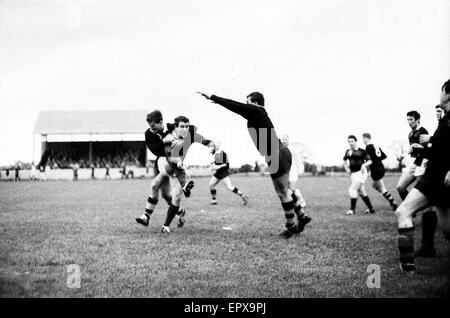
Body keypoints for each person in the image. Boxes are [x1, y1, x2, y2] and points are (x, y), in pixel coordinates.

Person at [197, 91, 311, 238]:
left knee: (282, 193)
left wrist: (214, 98)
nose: (245, 104)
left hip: (275, 155)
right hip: (281, 152)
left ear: (255, 103)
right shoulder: (259, 113)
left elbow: (235, 106)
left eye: (248, 101)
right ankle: (301, 216)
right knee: (286, 190)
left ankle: (291, 226)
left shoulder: (256, 110)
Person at [395, 79, 450, 272]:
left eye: (441, 92)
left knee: (447, 231)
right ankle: (408, 269)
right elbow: (441, 147)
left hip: (443, 179)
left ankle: (424, 251)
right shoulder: (445, 119)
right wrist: (426, 146)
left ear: (448, 94)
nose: (439, 95)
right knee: (402, 212)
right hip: (432, 176)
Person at [135, 111, 194, 231]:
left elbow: (185, 135)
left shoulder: (172, 127)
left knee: (159, 188)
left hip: (174, 165)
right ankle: (180, 213)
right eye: (150, 127)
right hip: (163, 163)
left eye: (153, 126)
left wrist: (176, 140)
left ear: (161, 122)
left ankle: (147, 217)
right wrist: (166, 141)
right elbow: (156, 150)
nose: (151, 129)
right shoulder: (149, 134)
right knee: (165, 194)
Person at [158, 115, 216, 233]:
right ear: (176, 127)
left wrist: (212, 147)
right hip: (164, 164)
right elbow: (169, 158)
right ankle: (185, 185)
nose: (185, 129)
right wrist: (178, 161)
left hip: (178, 169)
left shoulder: (191, 135)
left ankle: (166, 226)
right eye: (182, 126)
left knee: (176, 198)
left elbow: (208, 141)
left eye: (187, 126)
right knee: (174, 166)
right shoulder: (169, 137)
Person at [413, 104, 447, 258]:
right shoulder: (442, 124)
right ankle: (428, 247)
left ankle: (428, 247)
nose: (438, 113)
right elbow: (437, 147)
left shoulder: (445, 124)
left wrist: (429, 141)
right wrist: (423, 148)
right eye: (436, 112)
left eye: (440, 111)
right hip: (433, 169)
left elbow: (441, 145)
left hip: (440, 172)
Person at [396, 111, 429, 201]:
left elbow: (424, 151)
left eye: (411, 119)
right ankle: (409, 210)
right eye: (408, 120)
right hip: (412, 162)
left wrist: (415, 164)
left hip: (421, 163)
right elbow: (415, 148)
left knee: (421, 192)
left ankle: (427, 213)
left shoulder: (423, 131)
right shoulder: (410, 133)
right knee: (400, 187)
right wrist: (409, 151)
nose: (409, 122)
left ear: (418, 120)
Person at [361, 133, 398, 211]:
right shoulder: (375, 146)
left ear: (367, 138)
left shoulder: (368, 147)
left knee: (382, 188)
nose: (363, 140)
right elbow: (384, 156)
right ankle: (389, 198)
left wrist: (365, 166)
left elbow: (369, 160)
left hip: (375, 170)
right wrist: (377, 161)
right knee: (375, 186)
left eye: (363, 139)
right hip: (381, 168)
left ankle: (393, 202)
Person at [343, 135, 375, 215]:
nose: (350, 143)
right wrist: (347, 168)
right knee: (362, 192)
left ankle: (352, 210)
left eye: (352, 141)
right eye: (349, 141)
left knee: (352, 190)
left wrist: (364, 165)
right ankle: (371, 209)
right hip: (353, 174)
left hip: (361, 173)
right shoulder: (348, 151)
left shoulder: (361, 151)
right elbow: (344, 161)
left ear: (356, 141)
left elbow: (370, 161)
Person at [281, 134, 306, 209]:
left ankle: (301, 201)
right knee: (288, 189)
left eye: (285, 139)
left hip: (293, 172)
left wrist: (301, 170)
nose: (284, 141)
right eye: (283, 139)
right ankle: (296, 202)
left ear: (288, 139)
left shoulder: (293, 149)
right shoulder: (281, 149)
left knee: (291, 188)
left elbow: (299, 160)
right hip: (285, 173)